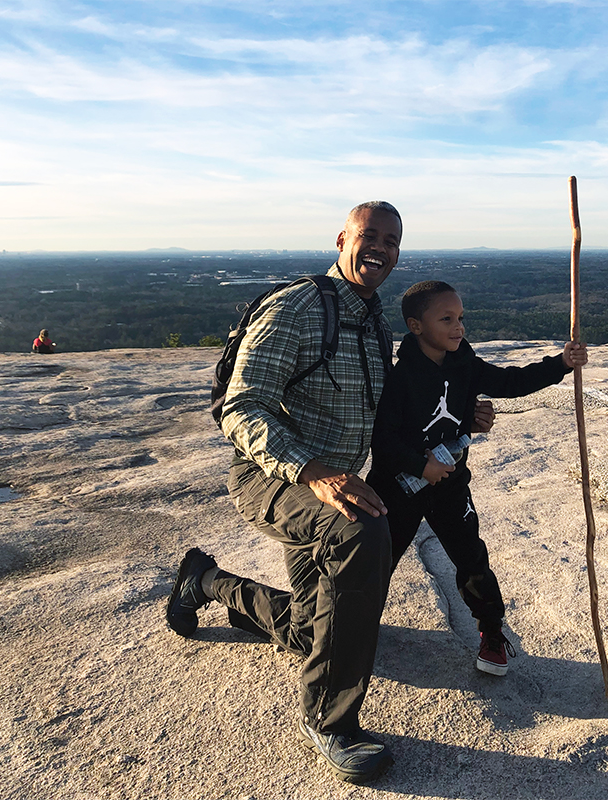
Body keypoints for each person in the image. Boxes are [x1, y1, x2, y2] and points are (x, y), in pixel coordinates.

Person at [166, 201, 404, 784]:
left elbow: (387, 404)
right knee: (362, 531)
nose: (380, 248)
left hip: (330, 485)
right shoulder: (298, 308)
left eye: (392, 241)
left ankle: (205, 580)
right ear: (342, 238)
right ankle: (330, 720)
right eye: (369, 236)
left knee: (308, 633)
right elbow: (240, 407)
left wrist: (456, 413)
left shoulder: (374, 319)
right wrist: (315, 472)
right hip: (274, 478)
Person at [366, 280, 588, 678]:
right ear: (416, 326)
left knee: (472, 560)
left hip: (450, 483)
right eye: (446, 319)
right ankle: (357, 624)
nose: (458, 327)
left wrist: (561, 364)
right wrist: (420, 465)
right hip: (398, 487)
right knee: (379, 559)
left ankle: (491, 634)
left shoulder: (464, 364)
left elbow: (510, 382)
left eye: (461, 318)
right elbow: (383, 441)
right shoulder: (399, 377)